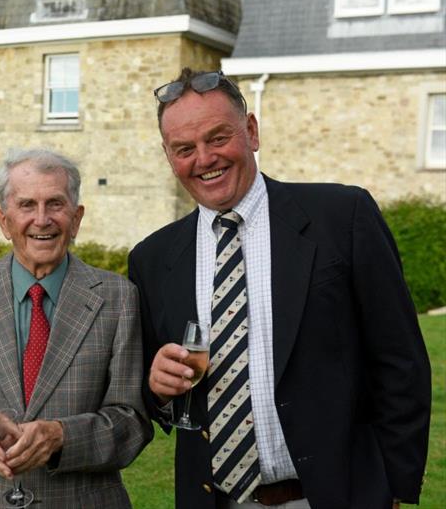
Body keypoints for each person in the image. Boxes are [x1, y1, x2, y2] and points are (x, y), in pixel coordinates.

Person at [128, 69, 431, 509]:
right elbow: (155, 395)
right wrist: (156, 387)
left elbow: (400, 361)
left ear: (251, 131)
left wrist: (391, 486)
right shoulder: (152, 258)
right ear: (168, 156)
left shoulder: (342, 217)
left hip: (337, 496)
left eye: (218, 138)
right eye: (184, 149)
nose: (204, 158)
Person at [0, 149, 153, 508]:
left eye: (55, 204)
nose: (42, 219)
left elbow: (132, 423)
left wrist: (62, 437)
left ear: (76, 218)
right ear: (3, 220)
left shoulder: (118, 298)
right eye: (27, 205)